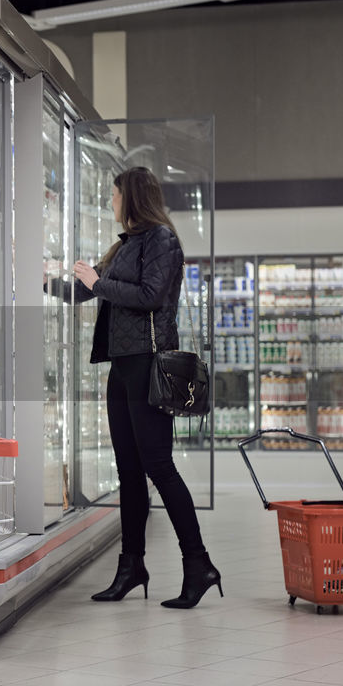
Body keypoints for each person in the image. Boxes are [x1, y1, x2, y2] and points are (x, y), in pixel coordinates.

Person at [68, 166, 221, 609]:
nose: (111, 201)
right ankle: (131, 566)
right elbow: (89, 290)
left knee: (159, 466)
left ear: (131, 196)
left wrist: (99, 282)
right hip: (123, 367)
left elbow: (151, 294)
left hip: (150, 368)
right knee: (129, 471)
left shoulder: (161, 240)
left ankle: (199, 564)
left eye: (114, 195)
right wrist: (47, 279)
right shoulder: (126, 245)